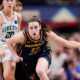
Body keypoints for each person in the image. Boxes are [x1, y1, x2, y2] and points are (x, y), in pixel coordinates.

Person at [7, 16, 80, 80]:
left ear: (40, 27)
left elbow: (65, 43)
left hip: (43, 53)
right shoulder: (22, 35)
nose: (33, 30)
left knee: (40, 71)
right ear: (28, 29)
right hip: (28, 57)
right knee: (34, 77)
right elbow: (9, 42)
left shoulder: (45, 33)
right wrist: (14, 55)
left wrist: (78, 45)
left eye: (35, 27)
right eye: (31, 28)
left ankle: (44, 70)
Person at [0, 0, 22, 80]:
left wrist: (19, 50)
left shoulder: (18, 16)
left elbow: (19, 35)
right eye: (7, 0)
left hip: (10, 48)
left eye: (12, 0)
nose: (10, 3)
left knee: (8, 75)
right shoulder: (0, 16)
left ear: (14, 2)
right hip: (0, 45)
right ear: (3, 2)